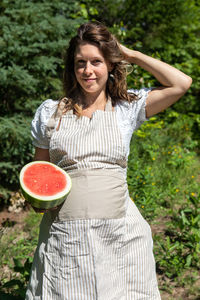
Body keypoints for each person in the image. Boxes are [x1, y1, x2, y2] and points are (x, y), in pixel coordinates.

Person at [26, 22, 192, 300]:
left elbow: (181, 83)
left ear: (110, 65)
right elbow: (39, 173)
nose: (87, 71)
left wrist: (131, 54)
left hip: (121, 238)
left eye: (96, 61)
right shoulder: (50, 113)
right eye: (80, 63)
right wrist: (37, 199)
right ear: (72, 67)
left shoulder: (127, 108)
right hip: (67, 239)